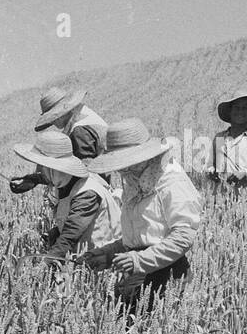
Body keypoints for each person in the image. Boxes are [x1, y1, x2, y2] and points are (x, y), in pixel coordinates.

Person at [84, 120, 202, 315]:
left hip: (166, 278)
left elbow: (183, 237)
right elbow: (140, 237)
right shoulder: (135, 181)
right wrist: (106, 255)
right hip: (136, 277)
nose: (121, 169)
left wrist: (139, 260)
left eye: (124, 161)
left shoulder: (171, 182)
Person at [11, 128, 119, 262]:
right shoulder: (65, 179)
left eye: (42, 166)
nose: (39, 170)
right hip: (81, 259)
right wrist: (30, 180)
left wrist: (42, 268)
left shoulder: (87, 193)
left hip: (102, 263)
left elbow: (69, 236)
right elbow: (45, 178)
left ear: (54, 167)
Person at [10, 86, 107, 195]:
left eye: (53, 118)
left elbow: (82, 174)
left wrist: (38, 179)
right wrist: (34, 179)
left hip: (92, 194)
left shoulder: (79, 131)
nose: (53, 123)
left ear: (62, 112)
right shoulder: (83, 114)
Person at [210, 90, 247, 197]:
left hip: (246, 199)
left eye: (245, 108)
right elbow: (209, 165)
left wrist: (245, 174)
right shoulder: (219, 138)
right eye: (236, 108)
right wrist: (211, 172)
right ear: (230, 111)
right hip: (220, 198)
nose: (240, 111)